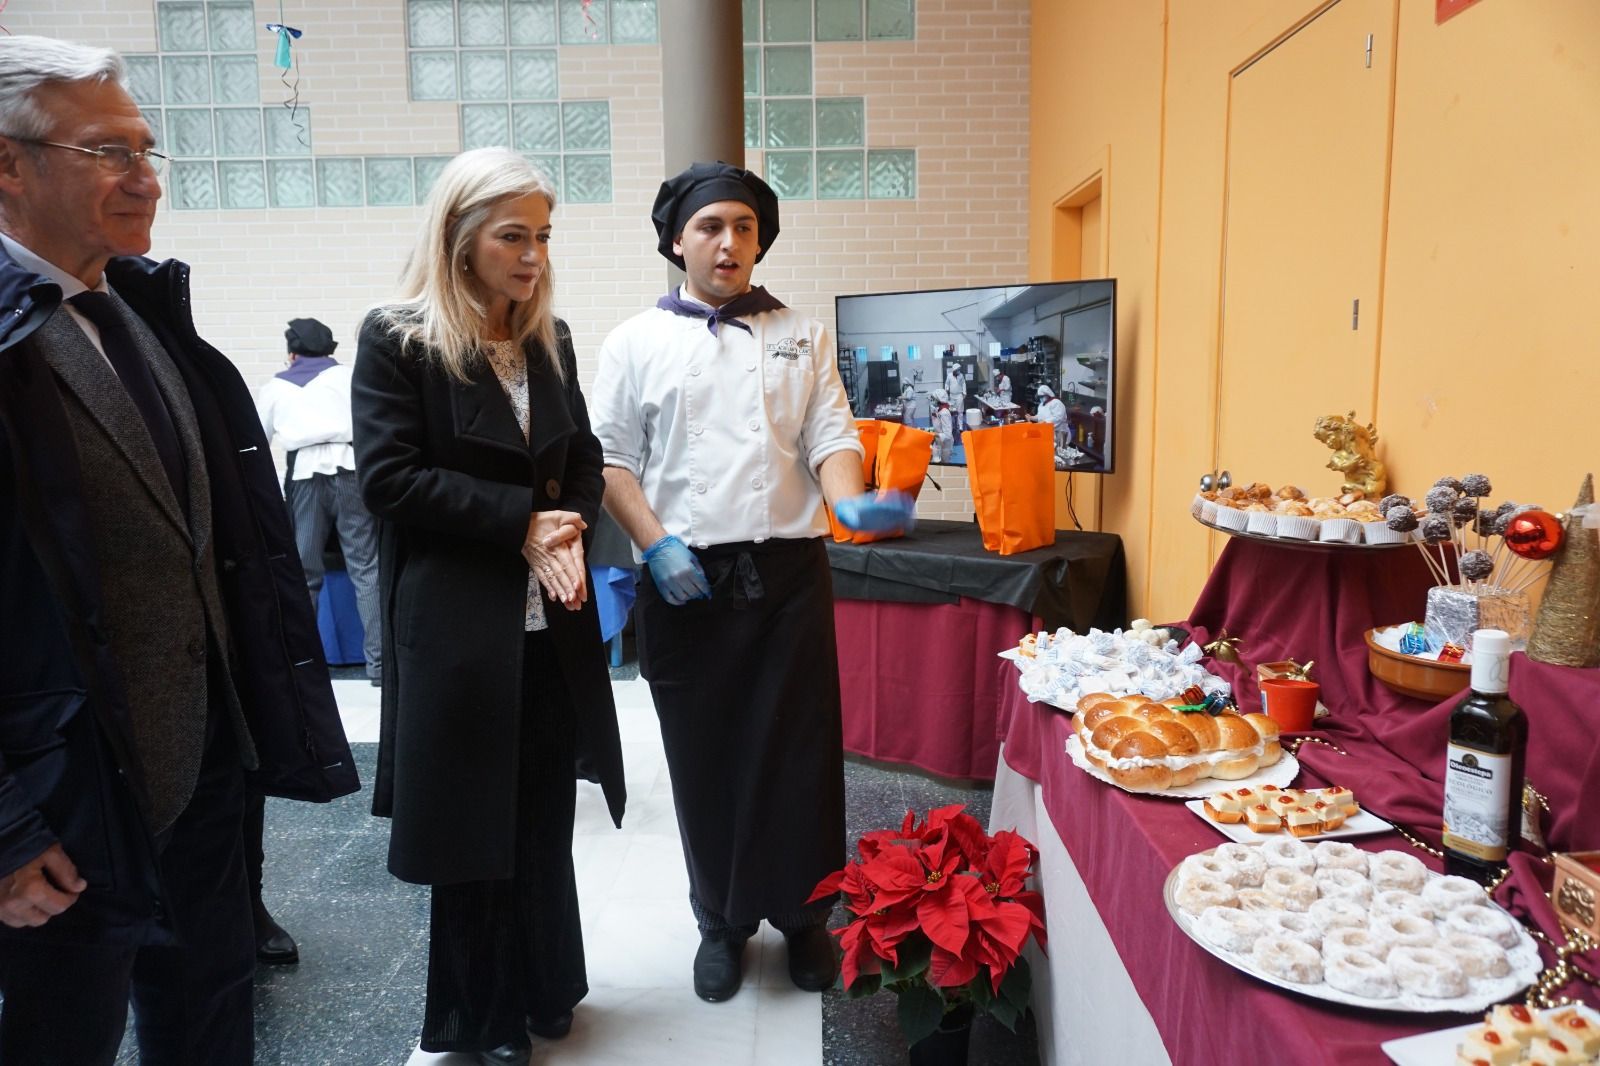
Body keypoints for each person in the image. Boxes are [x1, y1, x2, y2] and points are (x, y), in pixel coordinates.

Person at [0, 35, 357, 1064]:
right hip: (62, 800)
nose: (145, 177)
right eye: (107, 151)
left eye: (147, 148)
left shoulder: (143, 313)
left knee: (209, 1010)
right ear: (8, 165)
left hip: (203, 770)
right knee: (62, 1029)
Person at [590, 161, 911, 1005]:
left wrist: (853, 501)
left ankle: (806, 918)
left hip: (787, 574)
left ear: (759, 239)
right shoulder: (632, 342)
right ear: (675, 241)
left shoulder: (802, 333)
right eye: (708, 227)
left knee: (801, 757)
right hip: (683, 575)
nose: (726, 242)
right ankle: (721, 922)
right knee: (706, 756)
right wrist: (653, 543)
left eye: (742, 226)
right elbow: (611, 461)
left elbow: (830, 434)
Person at [352, 147, 626, 1066]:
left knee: (544, 820)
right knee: (474, 833)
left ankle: (548, 989)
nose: (533, 255)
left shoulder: (547, 338)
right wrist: (520, 524)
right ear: (461, 236)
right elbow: (391, 479)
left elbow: (583, 456)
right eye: (514, 235)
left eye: (544, 235)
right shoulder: (399, 337)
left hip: (551, 628)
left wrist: (571, 526)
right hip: (462, 631)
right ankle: (483, 1020)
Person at [255, 316, 382, 687]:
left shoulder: (276, 387)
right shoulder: (348, 378)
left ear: (292, 354)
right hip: (352, 473)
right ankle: (379, 668)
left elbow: (258, 440)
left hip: (305, 478)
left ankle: (304, 667)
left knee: (304, 574)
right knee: (366, 568)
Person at [1035, 384, 1070, 458]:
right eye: (1039, 397)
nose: (1040, 399)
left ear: (1047, 394)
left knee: (1060, 456)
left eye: (1042, 397)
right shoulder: (1042, 405)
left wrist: (1045, 422)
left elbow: (1058, 418)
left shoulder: (1057, 403)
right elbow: (1040, 417)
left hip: (1060, 435)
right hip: (1048, 435)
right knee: (1051, 456)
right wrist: (1032, 417)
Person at [931, 387, 955, 462]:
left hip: (945, 444)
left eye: (933, 399)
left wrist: (935, 434)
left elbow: (947, 434)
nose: (932, 401)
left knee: (945, 462)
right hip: (939, 441)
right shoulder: (938, 409)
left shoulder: (944, 413)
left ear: (938, 400)